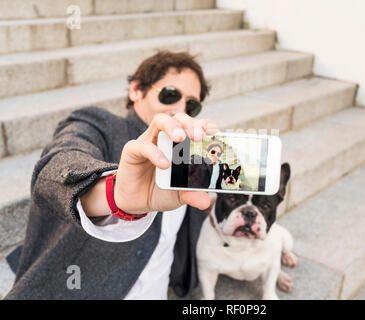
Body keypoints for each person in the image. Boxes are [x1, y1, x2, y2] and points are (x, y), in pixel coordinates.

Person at [5, 50, 219, 300]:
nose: (180, 108)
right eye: (170, 94)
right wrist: (115, 194)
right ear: (136, 90)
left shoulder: (190, 159)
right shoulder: (98, 123)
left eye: (191, 104)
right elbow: (55, 168)